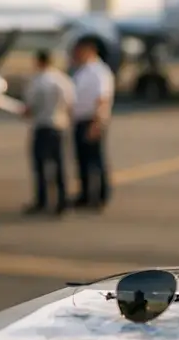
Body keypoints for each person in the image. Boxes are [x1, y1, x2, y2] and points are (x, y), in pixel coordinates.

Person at [22, 49, 75, 215]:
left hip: (42, 126)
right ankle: (62, 201)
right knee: (58, 165)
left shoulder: (38, 81)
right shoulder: (62, 79)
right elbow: (70, 101)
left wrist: (26, 112)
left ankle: (42, 201)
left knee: (40, 166)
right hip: (59, 126)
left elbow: (30, 106)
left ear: (39, 61)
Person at [70, 37, 115, 209]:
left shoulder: (99, 71)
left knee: (95, 160)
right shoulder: (82, 71)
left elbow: (102, 98)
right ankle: (85, 195)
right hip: (80, 119)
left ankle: (100, 196)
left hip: (92, 119)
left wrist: (97, 123)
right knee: (82, 160)